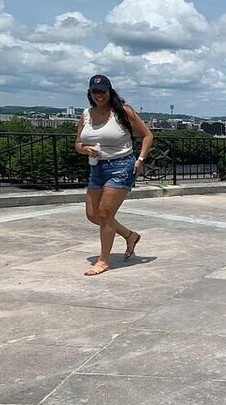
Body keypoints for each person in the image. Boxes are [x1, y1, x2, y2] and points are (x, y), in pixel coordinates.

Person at [75, 74, 153, 276]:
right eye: (95, 91)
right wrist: (85, 149)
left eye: (102, 91)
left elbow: (147, 135)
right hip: (96, 167)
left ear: (110, 92)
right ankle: (130, 236)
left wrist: (141, 159)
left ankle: (103, 261)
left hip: (121, 166)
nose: (99, 95)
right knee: (93, 215)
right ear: (90, 93)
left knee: (105, 214)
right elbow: (78, 143)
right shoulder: (85, 114)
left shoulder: (122, 111)